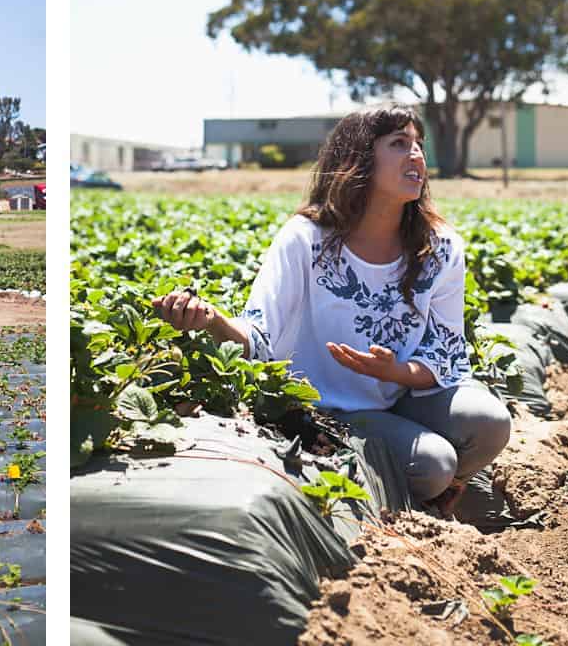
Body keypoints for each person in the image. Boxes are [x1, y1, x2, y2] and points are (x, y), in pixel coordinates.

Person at [152, 107, 511, 516]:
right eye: (398, 144)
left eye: (419, 145)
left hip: (402, 394)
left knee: (489, 423)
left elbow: (444, 349)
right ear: (357, 159)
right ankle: (405, 495)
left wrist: (393, 372)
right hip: (326, 409)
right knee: (433, 465)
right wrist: (212, 321)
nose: (416, 156)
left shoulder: (440, 247)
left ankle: (437, 495)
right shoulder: (306, 240)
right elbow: (260, 334)